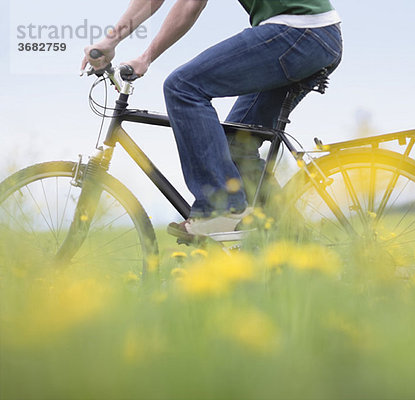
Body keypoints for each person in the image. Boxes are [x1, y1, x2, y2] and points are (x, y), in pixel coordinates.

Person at [81, 0, 342, 238]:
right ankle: (304, 251)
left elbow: (189, 4)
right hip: (312, 36)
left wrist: (146, 57)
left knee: (182, 86)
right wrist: (110, 42)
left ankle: (221, 207)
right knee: (237, 145)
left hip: (298, 32)